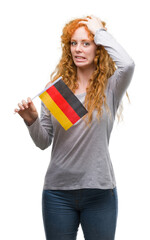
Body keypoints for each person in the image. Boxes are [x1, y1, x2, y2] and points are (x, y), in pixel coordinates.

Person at [14, 15, 135, 240]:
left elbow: (127, 63)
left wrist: (99, 31)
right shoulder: (56, 89)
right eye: (73, 43)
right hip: (57, 194)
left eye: (86, 43)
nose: (78, 49)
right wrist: (31, 120)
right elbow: (43, 141)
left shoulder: (111, 87)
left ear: (98, 48)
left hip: (99, 192)